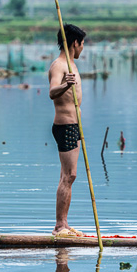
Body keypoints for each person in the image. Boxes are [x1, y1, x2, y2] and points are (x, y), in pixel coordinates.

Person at [48, 23, 87, 237]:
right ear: (75, 43)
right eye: (82, 44)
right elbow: (53, 92)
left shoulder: (71, 64)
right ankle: (59, 226)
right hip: (65, 126)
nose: (82, 49)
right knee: (68, 176)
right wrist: (65, 85)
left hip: (74, 125)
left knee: (70, 175)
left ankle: (64, 224)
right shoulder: (59, 65)